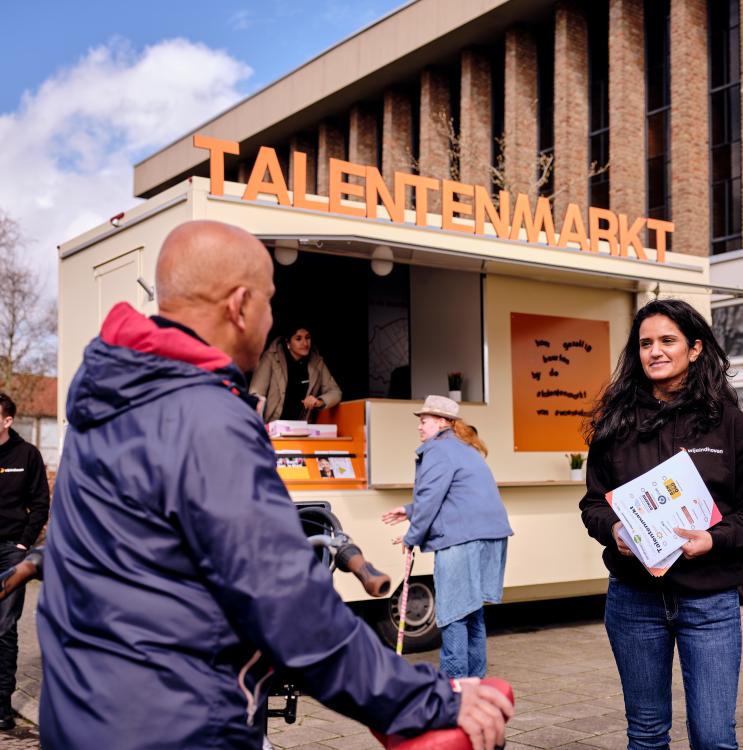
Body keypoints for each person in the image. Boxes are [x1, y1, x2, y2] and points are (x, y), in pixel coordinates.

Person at [37, 221, 512, 750]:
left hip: (83, 712)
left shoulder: (113, 396)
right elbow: (289, 605)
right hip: (177, 725)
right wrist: (430, 701)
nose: (270, 319)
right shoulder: (203, 415)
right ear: (239, 305)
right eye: (268, 302)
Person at [579, 298, 743, 750]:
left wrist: (714, 539)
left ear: (694, 349)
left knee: (713, 738)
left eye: (667, 340)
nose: (655, 351)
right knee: (646, 737)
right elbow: (593, 503)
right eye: (645, 343)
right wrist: (614, 530)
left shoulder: (729, 424)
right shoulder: (615, 422)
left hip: (708, 603)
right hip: (633, 600)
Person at [381, 396, 513, 679]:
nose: (419, 426)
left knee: (452, 614)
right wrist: (408, 511)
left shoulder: (438, 450)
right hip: (489, 536)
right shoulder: (463, 448)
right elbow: (452, 496)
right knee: (471, 612)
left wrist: (410, 538)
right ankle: (473, 684)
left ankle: (454, 687)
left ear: (441, 422)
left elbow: (430, 499)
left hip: (463, 539)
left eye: (424, 420)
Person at [0, 392, 49, 731]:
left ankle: (2, 705)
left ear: (7, 420)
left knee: (3, 629)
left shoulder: (26, 455)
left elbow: (41, 503)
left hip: (10, 552)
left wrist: (23, 543)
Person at [249, 323, 342, 423]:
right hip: (272, 428)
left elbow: (336, 392)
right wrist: (258, 428)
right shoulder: (271, 358)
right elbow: (256, 395)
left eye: (307, 338)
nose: (305, 343)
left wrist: (319, 401)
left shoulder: (316, 362)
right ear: (288, 342)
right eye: (298, 339)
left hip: (301, 430)